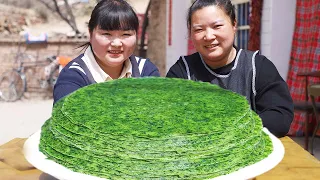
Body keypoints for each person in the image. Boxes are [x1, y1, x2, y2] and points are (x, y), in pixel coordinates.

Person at [166, 0, 293, 137]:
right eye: (199, 29)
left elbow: (280, 117)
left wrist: (232, 127)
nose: (209, 36)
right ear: (190, 33)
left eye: (217, 26)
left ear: (234, 24)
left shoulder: (258, 67)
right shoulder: (182, 72)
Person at [53, 0, 160, 104]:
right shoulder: (74, 77)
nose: (117, 43)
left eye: (126, 34)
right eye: (107, 34)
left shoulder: (146, 71)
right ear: (90, 34)